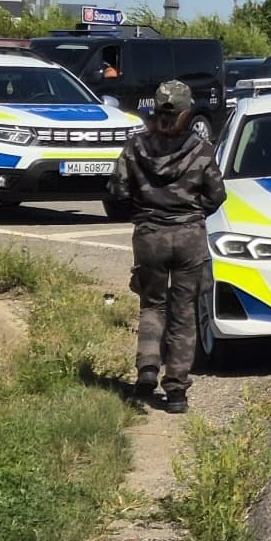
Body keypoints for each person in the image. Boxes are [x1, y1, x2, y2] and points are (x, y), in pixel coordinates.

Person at [107, 80, 227, 414]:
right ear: (187, 112)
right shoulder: (201, 150)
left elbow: (117, 191)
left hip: (150, 236)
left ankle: (147, 368)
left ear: (155, 109)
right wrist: (193, 213)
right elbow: (217, 194)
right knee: (184, 312)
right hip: (189, 236)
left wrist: (143, 212)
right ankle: (175, 391)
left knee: (152, 305)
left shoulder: (135, 147)